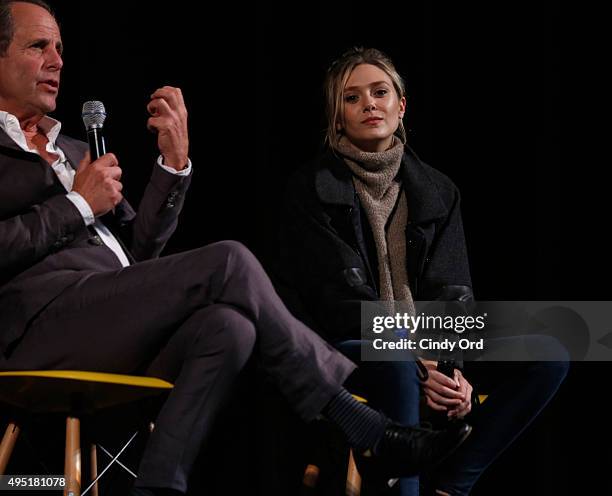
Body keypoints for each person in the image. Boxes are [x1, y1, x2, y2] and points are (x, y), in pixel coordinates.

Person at [0, 3, 476, 495]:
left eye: (60, 47)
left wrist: (172, 165)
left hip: (106, 317)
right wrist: (78, 204)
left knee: (229, 327)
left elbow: (138, 256)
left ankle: (159, 486)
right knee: (228, 259)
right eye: (39, 46)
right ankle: (360, 425)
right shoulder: (312, 188)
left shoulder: (75, 149)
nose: (56, 60)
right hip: (37, 331)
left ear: (403, 106)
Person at [277, 47, 569, 495]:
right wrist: (420, 363)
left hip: (426, 340)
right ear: (337, 117)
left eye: (380, 92)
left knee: (552, 349)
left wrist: (450, 369)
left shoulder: (438, 189)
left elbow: (455, 291)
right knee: (395, 361)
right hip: (350, 342)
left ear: (401, 105)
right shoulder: (309, 189)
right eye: (352, 98)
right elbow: (339, 302)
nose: (370, 104)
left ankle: (453, 483)